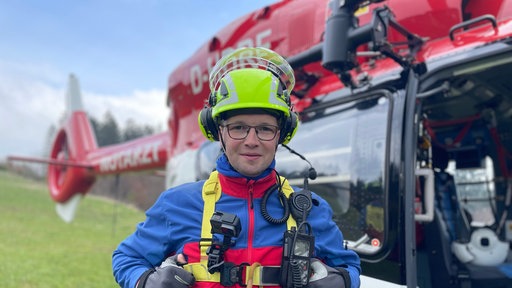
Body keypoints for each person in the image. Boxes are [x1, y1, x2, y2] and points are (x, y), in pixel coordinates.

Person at [112, 47, 361, 288]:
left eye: (265, 128)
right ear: (218, 131)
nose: (251, 141)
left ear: (281, 134)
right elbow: (126, 258)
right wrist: (144, 281)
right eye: (238, 127)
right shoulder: (177, 204)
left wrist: (343, 280)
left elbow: (348, 265)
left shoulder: (309, 210)